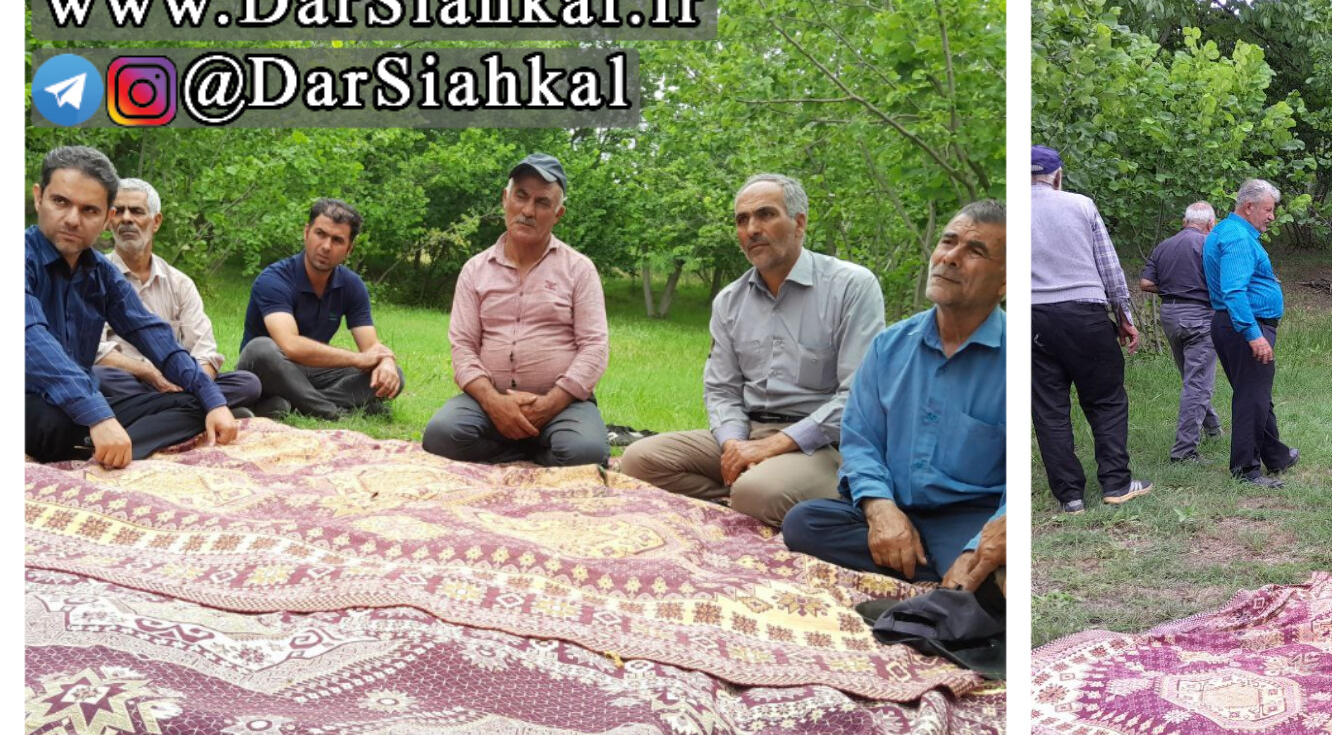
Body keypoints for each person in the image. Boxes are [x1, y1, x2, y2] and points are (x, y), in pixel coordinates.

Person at [617, 176, 884, 524]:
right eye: (742, 220)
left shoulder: (851, 286)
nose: (752, 228)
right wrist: (732, 445)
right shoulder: (730, 300)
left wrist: (775, 446)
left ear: (799, 222)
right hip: (748, 432)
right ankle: (746, 494)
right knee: (638, 460)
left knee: (756, 491)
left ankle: (771, 493)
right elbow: (721, 389)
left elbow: (858, 397)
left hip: (820, 445)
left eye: (765, 215)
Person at [783, 202, 1007, 588]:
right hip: (896, 506)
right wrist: (879, 507)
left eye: (975, 251)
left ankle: (950, 575)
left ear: (1006, 283)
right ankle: (936, 575)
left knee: (999, 576)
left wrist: (975, 547)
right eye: (948, 242)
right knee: (804, 523)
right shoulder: (890, 345)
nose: (951, 258)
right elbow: (861, 440)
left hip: (969, 518)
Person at [27, 145, 240, 466]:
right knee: (55, 420)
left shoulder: (101, 274)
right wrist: (97, 415)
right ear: (38, 197)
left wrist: (213, 401)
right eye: (60, 202)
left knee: (198, 402)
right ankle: (95, 442)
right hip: (27, 399)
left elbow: (154, 336)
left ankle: (97, 449)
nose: (72, 219)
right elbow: (30, 339)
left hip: (79, 404)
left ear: (106, 217)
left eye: (89, 210)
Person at [421, 154, 611, 468]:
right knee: (441, 435)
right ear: (505, 199)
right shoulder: (475, 270)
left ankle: (532, 447)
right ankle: (527, 455)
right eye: (521, 196)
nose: (527, 211)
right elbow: (464, 347)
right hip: (488, 401)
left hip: (562, 404)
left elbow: (595, 348)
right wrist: (493, 402)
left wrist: (550, 404)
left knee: (585, 453)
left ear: (558, 214)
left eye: (542, 202)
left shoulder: (579, 270)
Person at [1030, 146, 1149, 510]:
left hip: (1032, 316)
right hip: (1085, 313)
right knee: (1106, 400)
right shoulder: (1080, 205)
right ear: (1058, 176)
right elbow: (1109, 265)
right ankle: (1116, 484)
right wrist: (1125, 317)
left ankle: (1069, 497)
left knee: (1049, 409)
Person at [99, 177, 261, 413]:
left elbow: (204, 351)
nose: (126, 219)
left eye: (136, 211)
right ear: (108, 221)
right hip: (126, 380)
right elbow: (94, 352)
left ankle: (168, 413)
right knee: (99, 378)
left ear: (156, 222)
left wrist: (195, 385)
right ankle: (194, 414)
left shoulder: (179, 283)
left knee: (248, 383)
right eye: (118, 212)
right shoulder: (94, 277)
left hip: (178, 381)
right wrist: (148, 372)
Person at [234, 201, 407, 419]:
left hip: (313, 372)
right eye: (320, 234)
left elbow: (371, 346)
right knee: (260, 348)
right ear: (306, 233)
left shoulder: (352, 285)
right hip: (268, 371)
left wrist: (386, 361)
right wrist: (357, 359)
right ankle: (334, 412)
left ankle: (293, 406)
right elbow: (291, 345)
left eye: (337, 240)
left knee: (394, 376)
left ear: (349, 248)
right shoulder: (274, 279)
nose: (326, 246)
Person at [1204, 177, 1298, 489]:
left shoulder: (1229, 232)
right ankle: (1245, 470)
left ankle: (1277, 456)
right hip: (1245, 326)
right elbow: (1233, 291)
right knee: (1251, 399)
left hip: (1238, 325)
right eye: (1268, 210)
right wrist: (1253, 333)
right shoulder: (1238, 239)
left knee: (1257, 394)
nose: (1272, 216)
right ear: (1249, 207)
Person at [1139, 201, 1223, 463]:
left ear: (1185, 222)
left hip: (1170, 317)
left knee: (1192, 378)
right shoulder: (1209, 245)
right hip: (1199, 317)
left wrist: (1171, 290)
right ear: (1210, 224)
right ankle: (1184, 452)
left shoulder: (1164, 246)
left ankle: (1213, 429)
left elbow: (1145, 283)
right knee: (1197, 383)